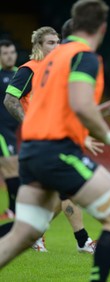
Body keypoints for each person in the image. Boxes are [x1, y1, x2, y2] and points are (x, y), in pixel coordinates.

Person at [0, 1, 110, 281]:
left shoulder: (50, 59)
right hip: (57, 152)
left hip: (32, 152)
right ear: (102, 28)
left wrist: (89, 118)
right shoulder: (83, 57)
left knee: (24, 232)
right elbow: (79, 104)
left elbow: (56, 106)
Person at [3, 23, 110, 254]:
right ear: (38, 45)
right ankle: (83, 241)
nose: (56, 46)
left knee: (55, 196)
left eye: (58, 42)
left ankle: (34, 235)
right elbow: (10, 100)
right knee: (69, 190)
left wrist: (81, 136)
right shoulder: (30, 69)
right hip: (41, 142)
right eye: (50, 42)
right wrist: (30, 124)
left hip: (57, 139)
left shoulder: (57, 70)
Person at [0, 39, 19, 221]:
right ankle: (16, 210)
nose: (9, 56)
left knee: (9, 170)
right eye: (5, 53)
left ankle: (13, 209)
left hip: (13, 129)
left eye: (12, 52)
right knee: (11, 168)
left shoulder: (20, 74)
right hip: (2, 130)